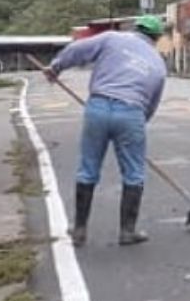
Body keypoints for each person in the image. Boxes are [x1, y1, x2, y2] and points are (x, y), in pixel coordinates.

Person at [44, 15, 167, 246]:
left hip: (98, 108)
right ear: (157, 37)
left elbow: (77, 50)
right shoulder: (158, 64)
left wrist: (56, 68)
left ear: (134, 29)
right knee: (134, 173)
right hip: (132, 113)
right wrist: (137, 126)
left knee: (88, 169)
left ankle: (79, 230)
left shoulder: (112, 38)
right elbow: (152, 104)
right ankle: (127, 232)